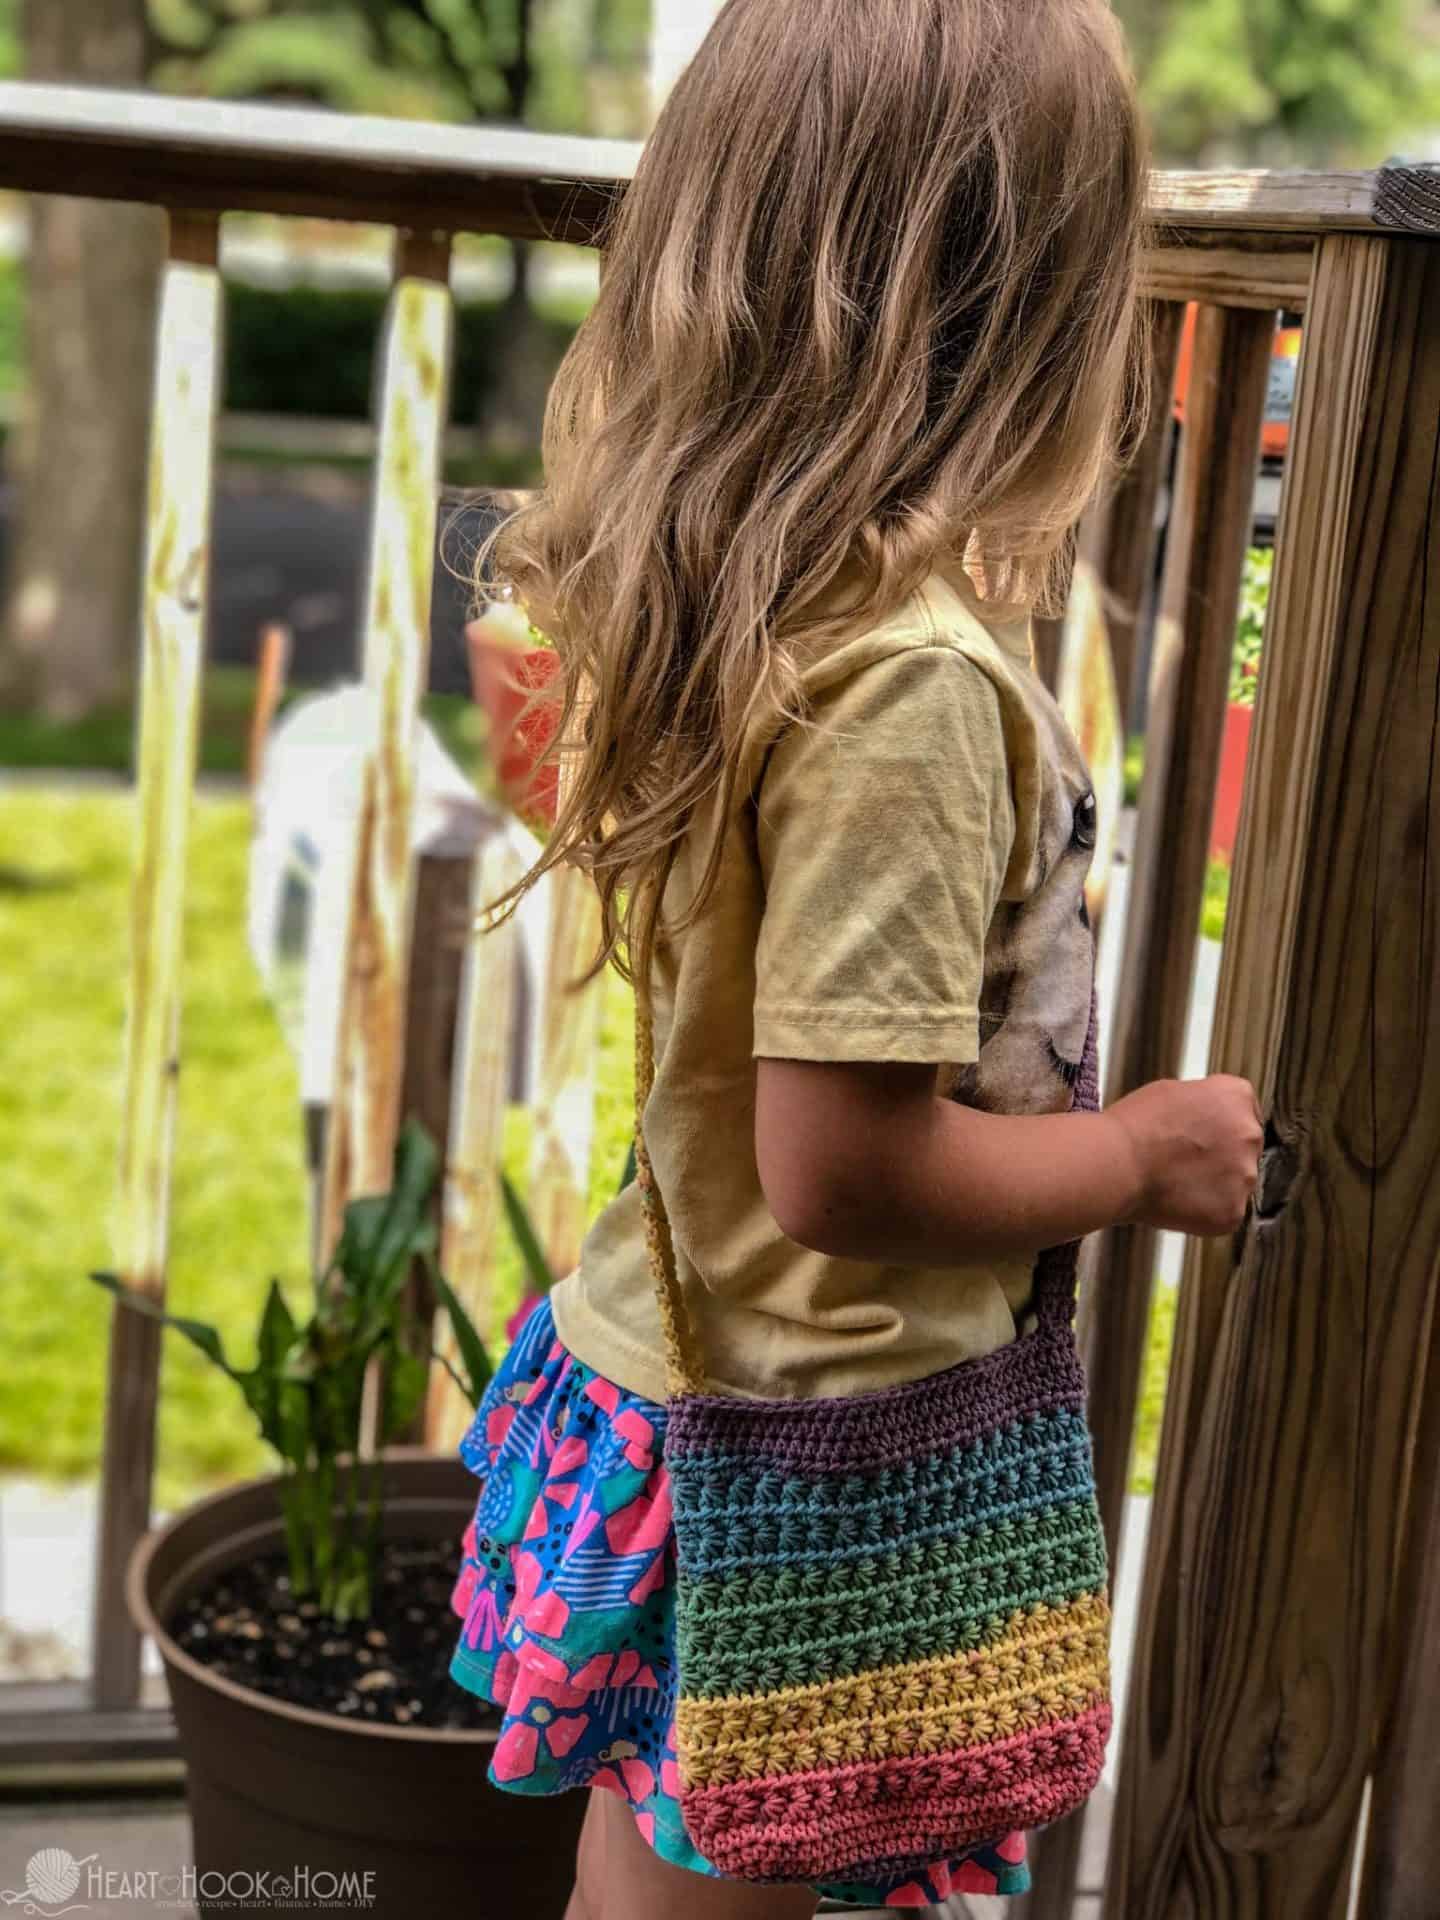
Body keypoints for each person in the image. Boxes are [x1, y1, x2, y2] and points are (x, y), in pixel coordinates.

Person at [449, 1, 1264, 1913]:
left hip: (700, 1394)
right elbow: (847, 1165)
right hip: (812, 1483)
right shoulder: (901, 686)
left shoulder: (757, 598)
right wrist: (1147, 1156)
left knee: (652, 1884)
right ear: (1037, 303)